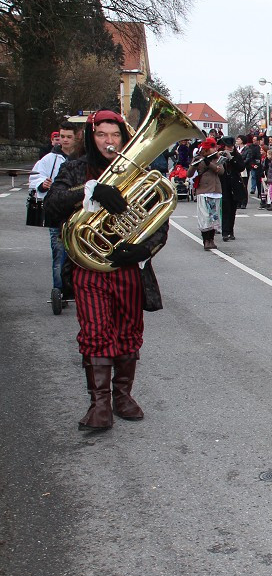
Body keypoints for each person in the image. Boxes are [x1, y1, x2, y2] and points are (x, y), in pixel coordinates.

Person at [43, 109, 168, 432]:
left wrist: (143, 249)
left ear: (124, 139)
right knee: (96, 332)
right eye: (101, 135)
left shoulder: (138, 173)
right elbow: (51, 206)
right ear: (91, 137)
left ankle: (122, 396)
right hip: (89, 266)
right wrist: (90, 191)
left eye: (114, 135)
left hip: (127, 266)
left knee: (128, 330)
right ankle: (99, 404)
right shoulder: (74, 169)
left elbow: (159, 222)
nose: (108, 141)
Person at [30, 122, 79, 304]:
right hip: (56, 215)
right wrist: (42, 184)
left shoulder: (82, 158)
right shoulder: (49, 159)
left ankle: (79, 289)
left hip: (78, 214)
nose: (64, 140)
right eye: (62, 136)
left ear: (76, 137)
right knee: (59, 254)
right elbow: (35, 176)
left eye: (68, 137)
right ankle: (60, 291)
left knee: (79, 255)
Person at [189, 138, 225, 250]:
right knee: (205, 217)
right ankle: (206, 240)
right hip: (203, 190)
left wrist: (209, 163)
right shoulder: (198, 158)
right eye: (212, 147)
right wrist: (194, 164)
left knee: (214, 217)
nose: (215, 149)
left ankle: (212, 239)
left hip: (215, 190)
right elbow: (189, 174)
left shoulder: (217, 158)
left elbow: (221, 171)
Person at [218, 137, 244, 241]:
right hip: (223, 184)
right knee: (225, 208)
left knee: (233, 209)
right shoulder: (219, 155)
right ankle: (225, 232)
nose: (230, 148)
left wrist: (232, 159)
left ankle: (231, 231)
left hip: (234, 185)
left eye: (231, 147)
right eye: (228, 147)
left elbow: (241, 167)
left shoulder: (237, 155)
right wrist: (219, 159)